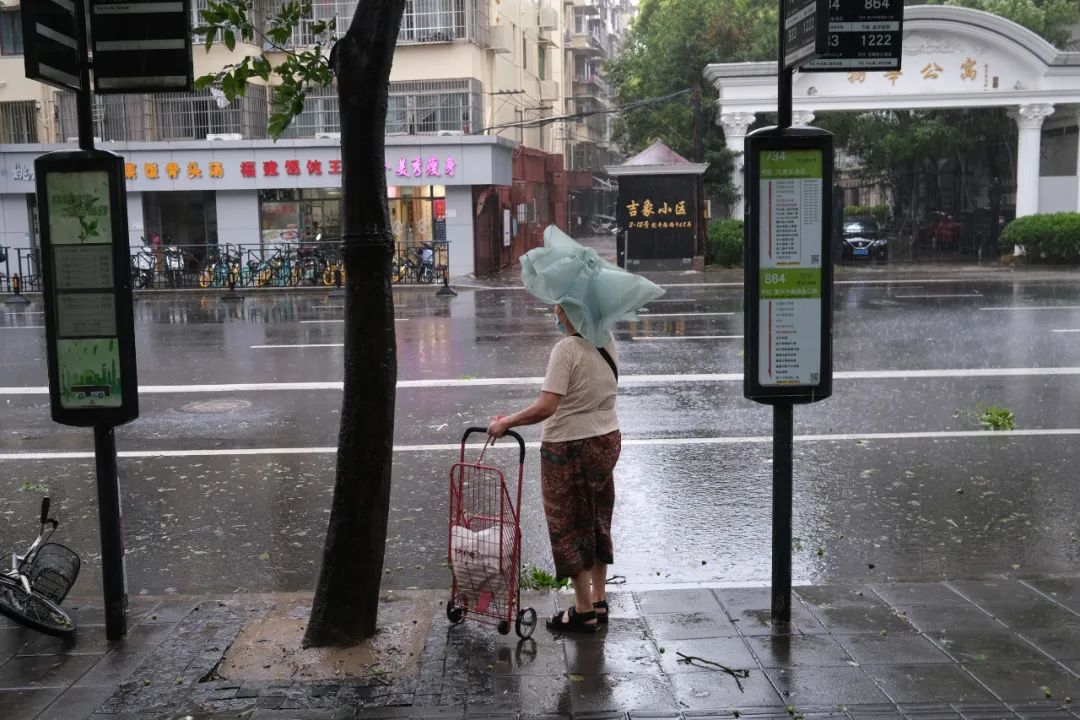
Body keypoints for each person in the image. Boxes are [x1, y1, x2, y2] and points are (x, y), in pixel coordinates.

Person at [487, 226, 664, 633]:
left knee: (568, 525)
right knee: (598, 519)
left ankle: (582, 609)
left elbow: (547, 406)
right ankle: (599, 601)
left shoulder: (566, 350)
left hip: (567, 447)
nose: (555, 312)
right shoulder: (606, 342)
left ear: (574, 310)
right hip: (606, 441)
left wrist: (506, 423)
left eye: (561, 307)